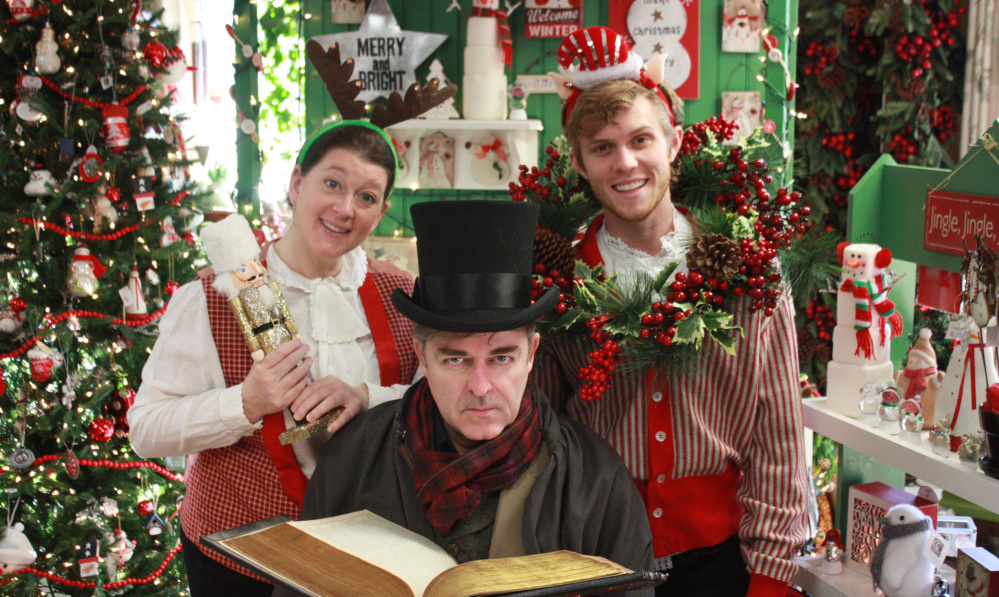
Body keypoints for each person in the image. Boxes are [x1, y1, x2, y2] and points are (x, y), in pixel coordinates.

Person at [535, 27, 809, 597]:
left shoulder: (747, 271)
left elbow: (778, 435)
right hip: (596, 555)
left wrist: (772, 579)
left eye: (641, 140)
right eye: (603, 149)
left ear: (675, 143)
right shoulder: (560, 283)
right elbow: (541, 430)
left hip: (721, 562)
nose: (626, 163)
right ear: (580, 164)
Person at [273, 200, 655, 597]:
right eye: (456, 359)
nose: (480, 386)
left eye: (502, 357)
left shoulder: (594, 479)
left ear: (532, 354)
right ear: (422, 357)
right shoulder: (353, 458)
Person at [129, 120, 421, 597]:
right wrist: (245, 402)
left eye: (366, 197)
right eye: (332, 183)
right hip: (239, 559)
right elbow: (145, 430)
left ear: (383, 210)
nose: (345, 209)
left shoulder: (402, 294)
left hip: (367, 556)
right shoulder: (208, 297)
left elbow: (434, 401)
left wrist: (371, 396)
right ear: (296, 182)